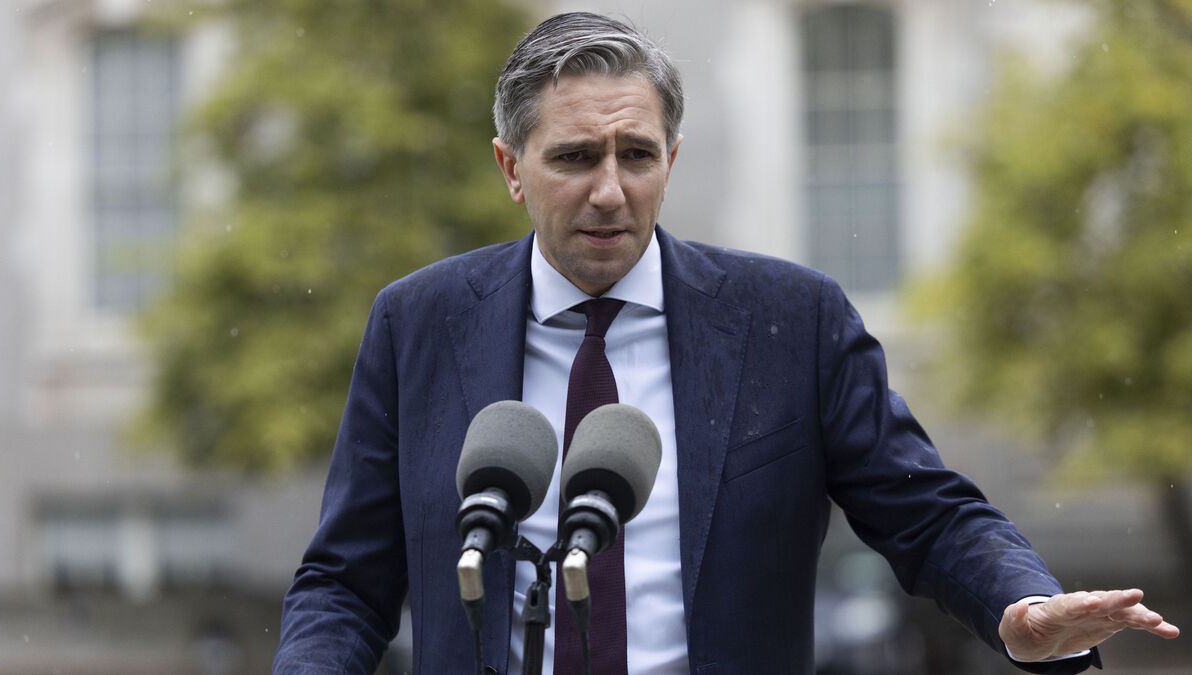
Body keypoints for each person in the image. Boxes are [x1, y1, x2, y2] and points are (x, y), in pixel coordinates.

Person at [273, 11, 1179, 674]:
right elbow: (346, 580)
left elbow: (927, 513)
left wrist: (1020, 605)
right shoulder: (418, 323)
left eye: (637, 154)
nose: (610, 190)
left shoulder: (793, 320)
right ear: (512, 168)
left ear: (671, 159)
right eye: (576, 157)